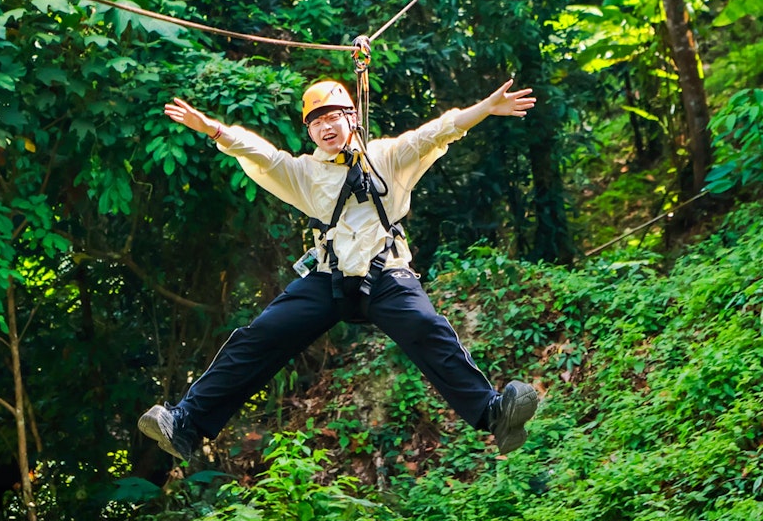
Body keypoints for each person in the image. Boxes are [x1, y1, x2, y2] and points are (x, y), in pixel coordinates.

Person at [139, 78, 539, 462]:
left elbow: (437, 132)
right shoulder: (305, 173)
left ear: (352, 117)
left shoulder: (387, 157)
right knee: (260, 336)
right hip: (327, 278)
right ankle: (186, 424)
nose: (325, 127)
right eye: (316, 122)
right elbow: (262, 154)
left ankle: (494, 415)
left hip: (386, 274)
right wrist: (214, 130)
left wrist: (485, 109)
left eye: (332, 117)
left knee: (425, 325)